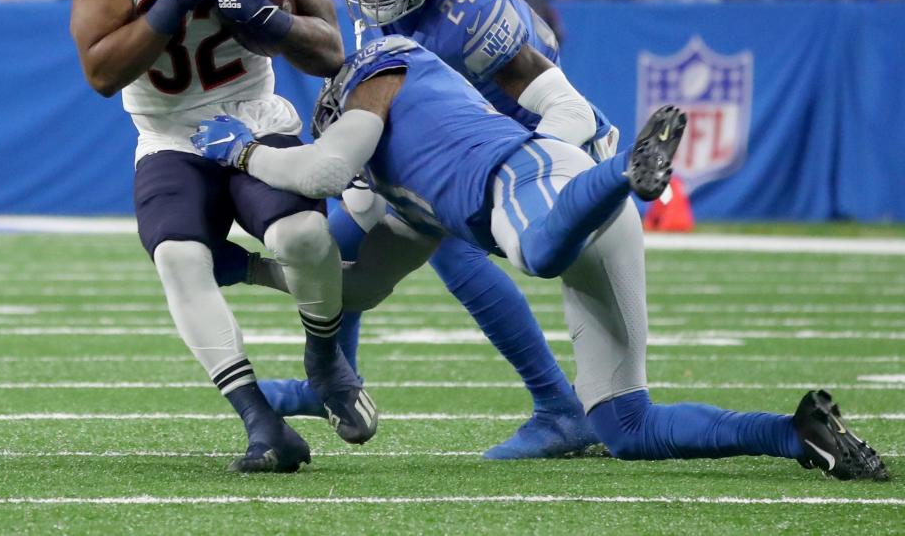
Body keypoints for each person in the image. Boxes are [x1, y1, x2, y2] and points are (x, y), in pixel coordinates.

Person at [195, 36, 888, 483]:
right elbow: (359, 287)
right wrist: (246, 268)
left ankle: (627, 168)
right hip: (583, 208)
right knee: (626, 425)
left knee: (532, 250)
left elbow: (322, 168)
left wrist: (244, 151)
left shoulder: (390, 66)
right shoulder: (400, 201)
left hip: (541, 180)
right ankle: (796, 434)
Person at [63, 0, 375, 474]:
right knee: (177, 255)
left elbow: (329, 48)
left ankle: (324, 359)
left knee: (303, 235)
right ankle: (262, 422)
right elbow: (102, 72)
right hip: (169, 130)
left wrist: (272, 21)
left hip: (253, 116)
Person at [259, 0, 614, 460]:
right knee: (337, 243)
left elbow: (558, 104)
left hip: (525, 146)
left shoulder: (469, 13)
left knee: (451, 247)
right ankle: (331, 381)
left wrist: (513, 173)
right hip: (457, 142)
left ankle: (559, 407)